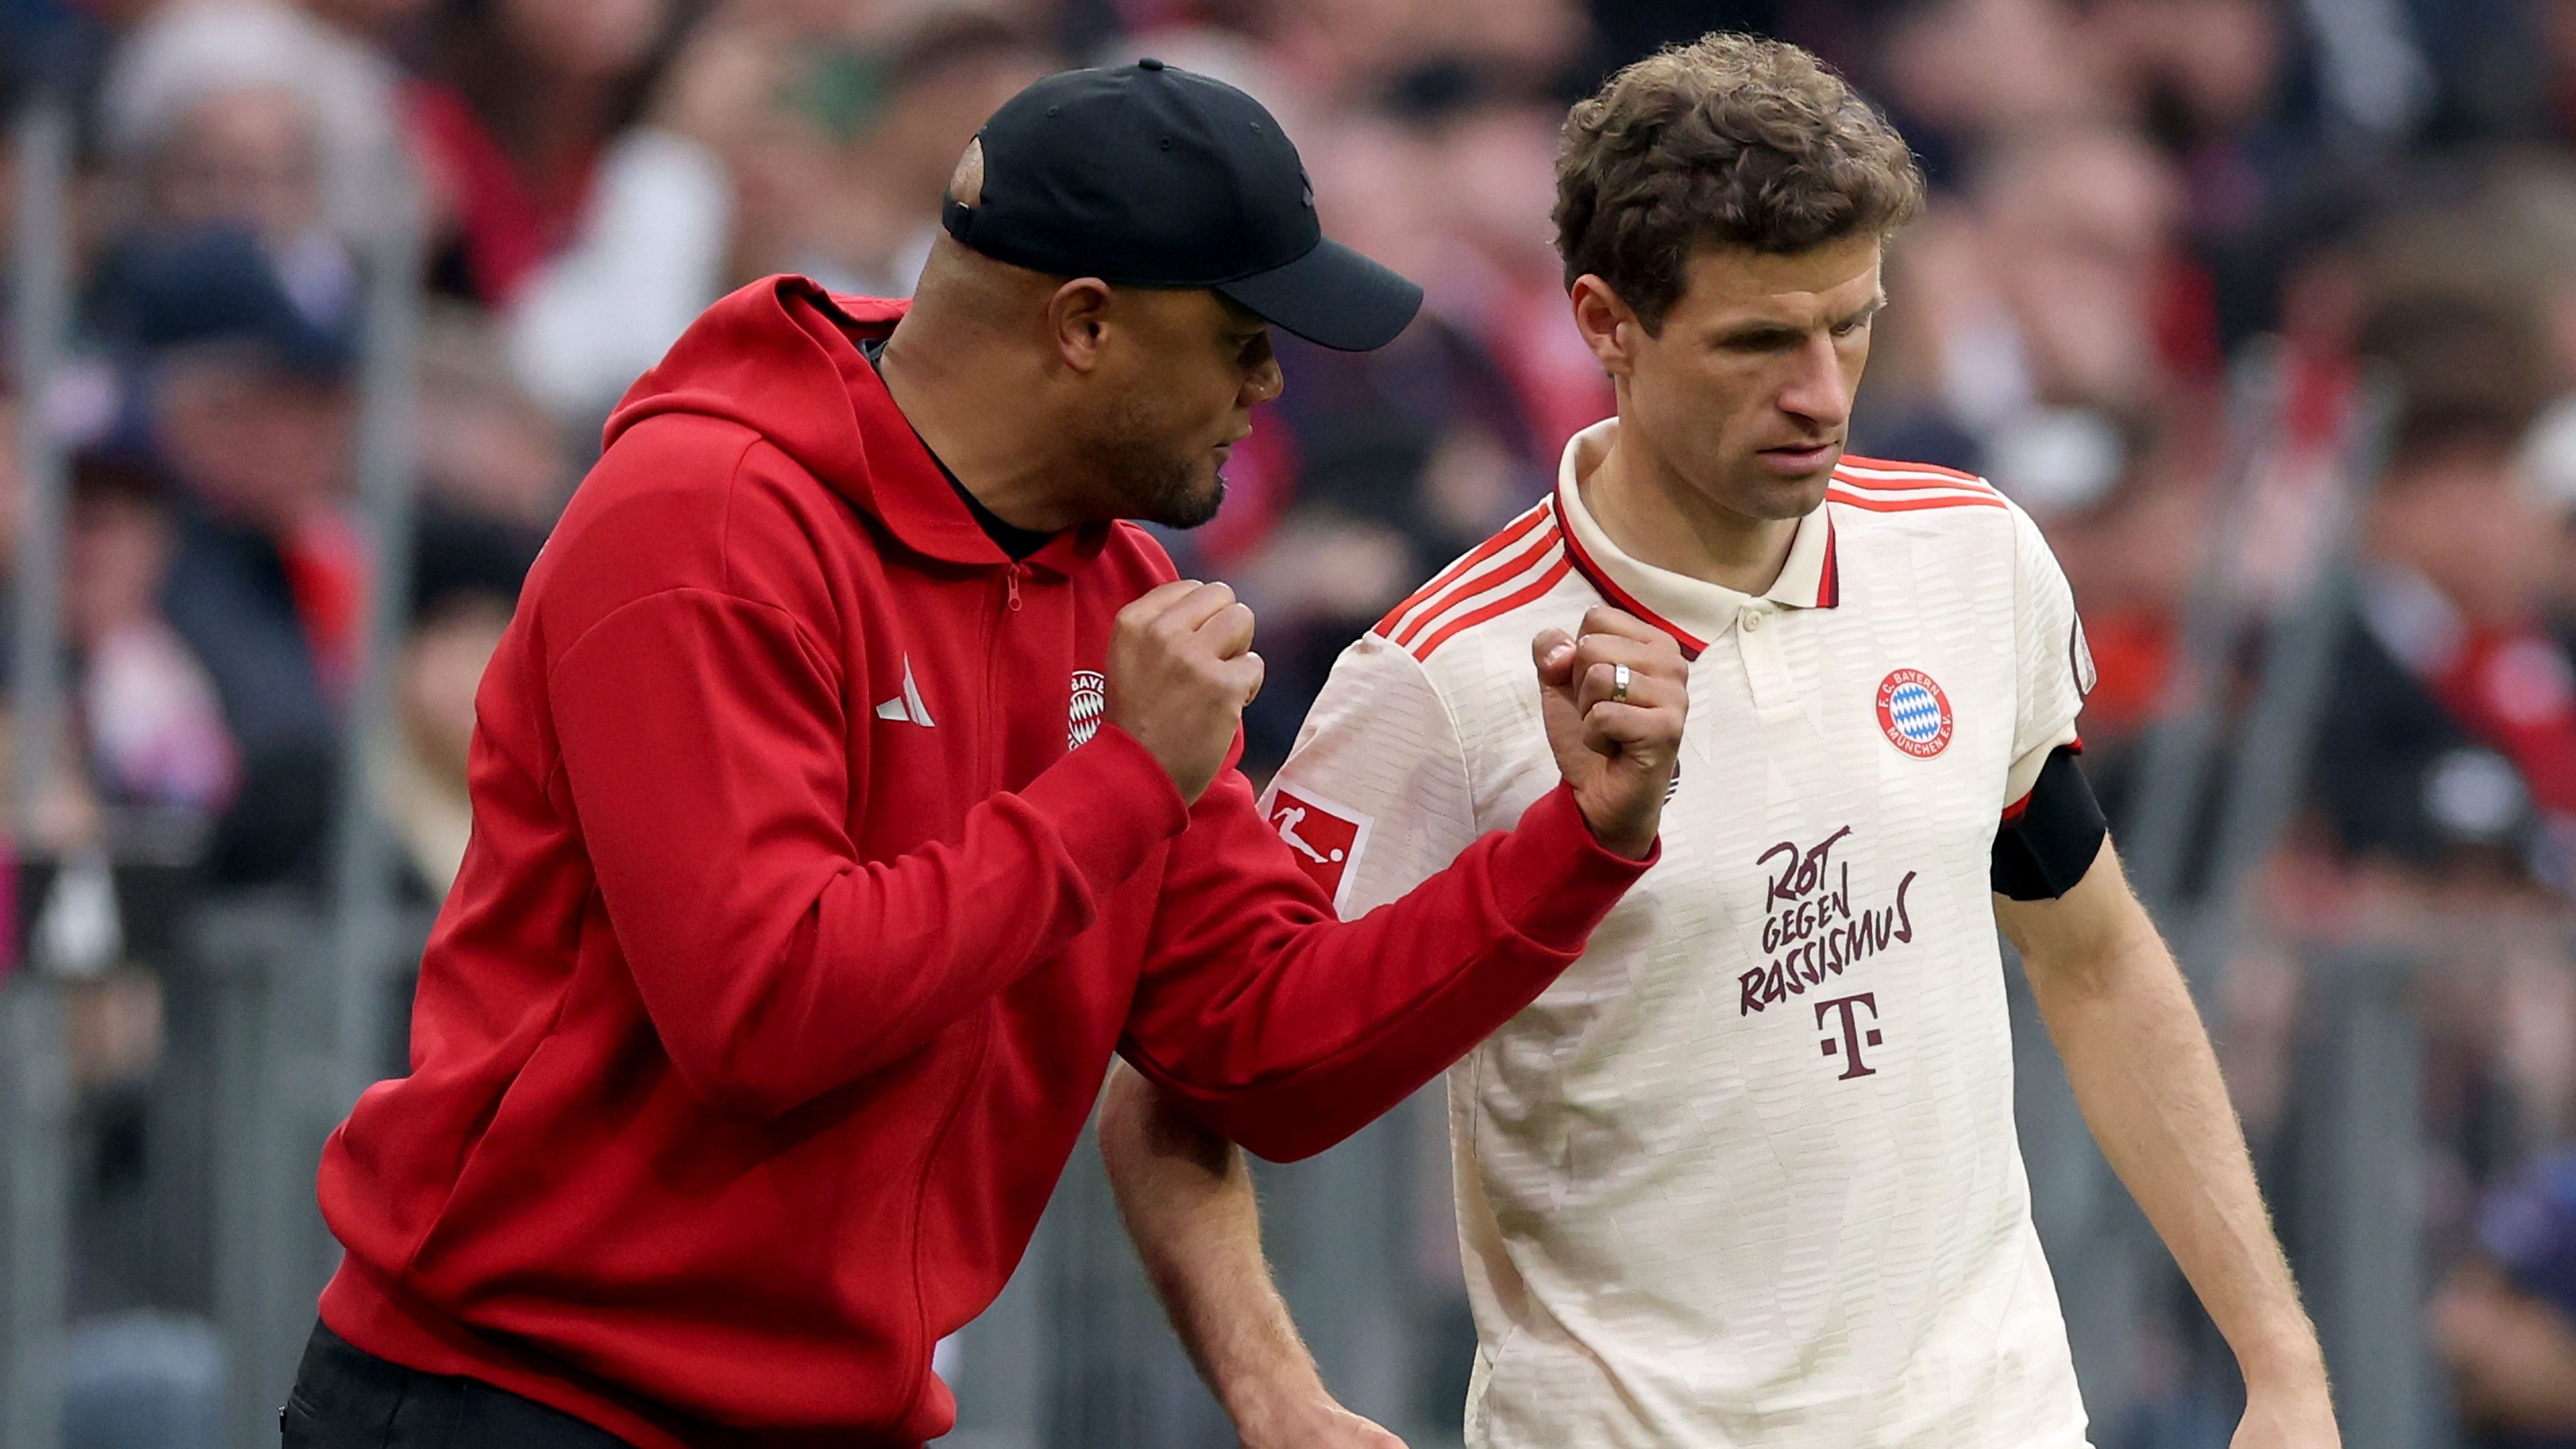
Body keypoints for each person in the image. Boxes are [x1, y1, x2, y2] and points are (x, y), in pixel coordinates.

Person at [288, 61, 1691, 1449]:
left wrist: (1577, 847)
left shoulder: (1116, 587)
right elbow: (766, 1013)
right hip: (519, 1401)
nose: (1275, 383)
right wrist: (1124, 781)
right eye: (1243, 335)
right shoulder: (702, 520)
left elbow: (1260, 1054)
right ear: (1083, 325)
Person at [1101, 34, 2340, 1449]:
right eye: (1758, 340)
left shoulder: (1969, 558)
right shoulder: (1445, 676)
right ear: (1603, 321)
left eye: (1852, 324)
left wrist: (2280, 1363)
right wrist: (1274, 1395)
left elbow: (2094, 954)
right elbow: (1176, 1090)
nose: (1821, 391)